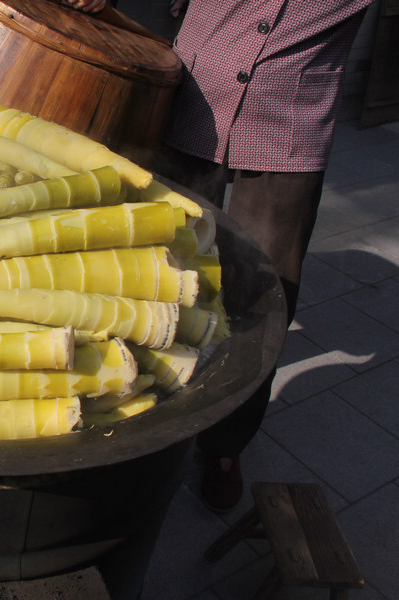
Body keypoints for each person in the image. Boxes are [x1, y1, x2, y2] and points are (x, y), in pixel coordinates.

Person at [148, 0, 375, 512]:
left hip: (289, 123)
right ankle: (145, 400)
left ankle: (225, 446)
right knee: (160, 266)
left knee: (265, 298)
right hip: (195, 101)